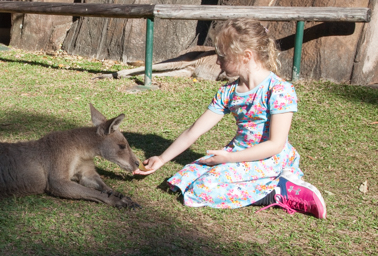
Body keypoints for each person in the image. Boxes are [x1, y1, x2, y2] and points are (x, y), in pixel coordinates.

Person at [135, 18, 326, 218]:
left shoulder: (279, 90)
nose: (217, 61)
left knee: (202, 189)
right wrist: (162, 159)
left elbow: (276, 144)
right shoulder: (229, 91)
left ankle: (279, 190)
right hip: (238, 152)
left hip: (270, 158)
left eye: (222, 56)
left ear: (246, 56)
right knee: (184, 178)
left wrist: (229, 158)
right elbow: (194, 131)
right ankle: (267, 184)